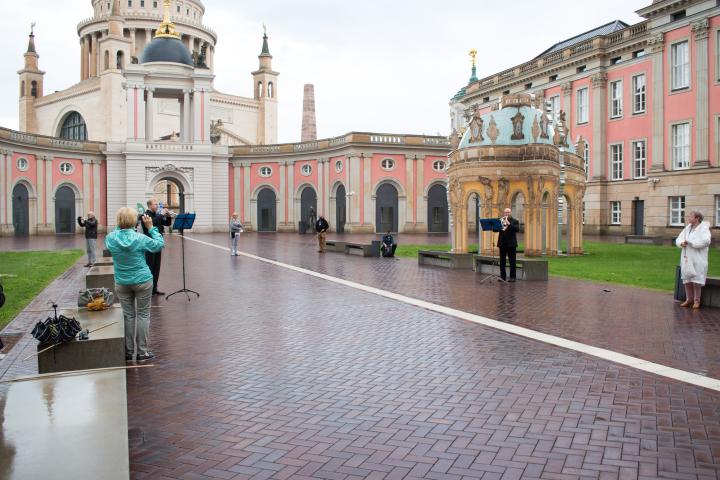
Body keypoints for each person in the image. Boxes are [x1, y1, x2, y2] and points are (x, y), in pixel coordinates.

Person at [105, 207, 165, 362]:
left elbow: (115, 239)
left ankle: (128, 351)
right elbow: (159, 245)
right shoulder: (140, 238)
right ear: (135, 222)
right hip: (142, 280)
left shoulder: (111, 238)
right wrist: (151, 228)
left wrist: (123, 225)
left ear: (118, 222)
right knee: (143, 315)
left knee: (128, 316)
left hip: (122, 281)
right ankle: (142, 352)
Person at [675, 210, 712, 309]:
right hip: (687, 258)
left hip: (698, 258)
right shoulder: (687, 228)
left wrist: (691, 243)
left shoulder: (704, 229)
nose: (689, 218)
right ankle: (689, 299)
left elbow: (706, 241)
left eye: (691, 216)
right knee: (687, 279)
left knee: (696, 280)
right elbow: (678, 239)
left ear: (697, 218)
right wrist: (681, 243)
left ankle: (697, 301)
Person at [141, 198, 172, 295]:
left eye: (157, 204)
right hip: (150, 244)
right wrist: (161, 214)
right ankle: (149, 289)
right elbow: (152, 223)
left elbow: (167, 223)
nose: (157, 206)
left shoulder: (156, 215)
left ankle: (155, 288)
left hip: (158, 243)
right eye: (155, 204)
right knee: (150, 266)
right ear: (150, 205)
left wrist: (168, 216)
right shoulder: (145, 215)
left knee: (157, 267)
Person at [497, 207, 520, 282]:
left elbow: (516, 229)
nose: (507, 214)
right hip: (502, 244)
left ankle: (512, 277)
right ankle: (502, 277)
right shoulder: (501, 221)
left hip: (511, 245)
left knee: (512, 262)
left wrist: (509, 224)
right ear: (504, 213)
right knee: (502, 262)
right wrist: (494, 226)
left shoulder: (515, 221)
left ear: (511, 213)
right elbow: (496, 230)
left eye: (508, 212)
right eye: (506, 212)